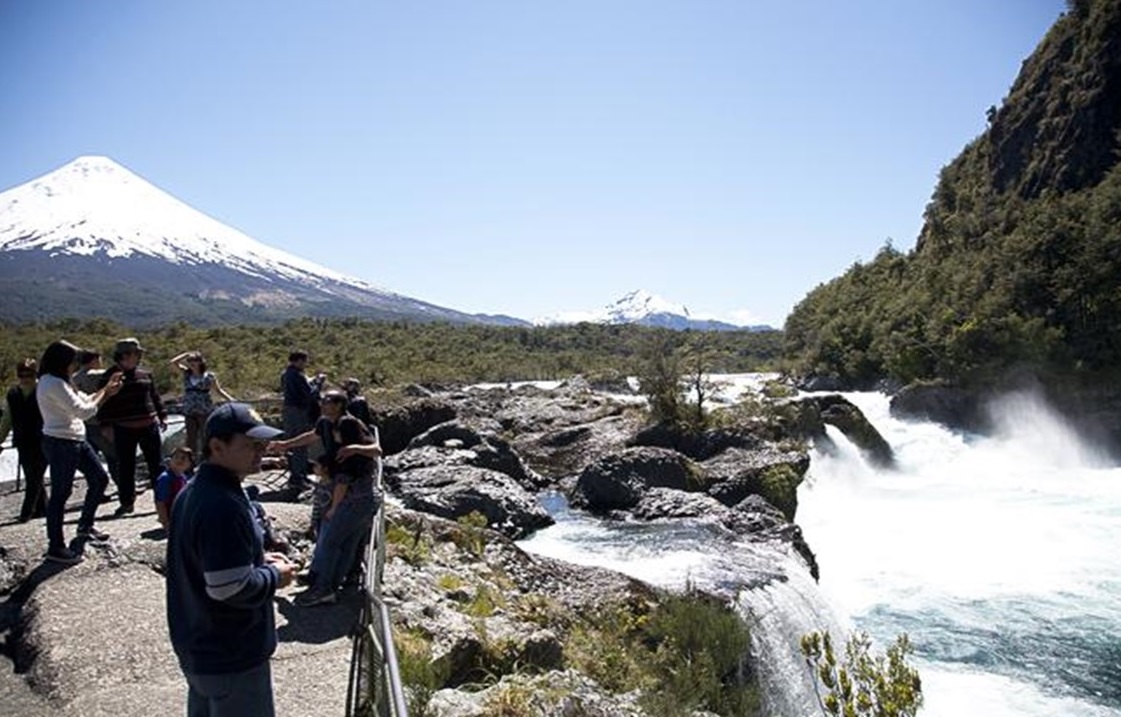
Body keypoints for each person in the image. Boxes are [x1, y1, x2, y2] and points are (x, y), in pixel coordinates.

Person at [166, 402, 297, 716]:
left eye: (262, 445)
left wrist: (257, 558)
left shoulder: (196, 490)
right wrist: (276, 575)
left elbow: (208, 560)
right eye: (251, 445)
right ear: (217, 446)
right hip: (230, 654)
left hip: (201, 646)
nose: (260, 452)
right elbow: (229, 588)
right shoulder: (222, 504)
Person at [269, 390, 380, 606]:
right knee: (343, 543)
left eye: (327, 401)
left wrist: (334, 506)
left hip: (355, 494)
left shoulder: (349, 427)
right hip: (354, 493)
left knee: (331, 541)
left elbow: (353, 470)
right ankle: (326, 583)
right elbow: (312, 435)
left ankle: (325, 588)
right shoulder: (326, 423)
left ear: (338, 405)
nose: (322, 403)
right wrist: (286, 444)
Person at [36, 340, 123, 564]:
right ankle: (56, 546)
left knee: (99, 479)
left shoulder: (60, 381)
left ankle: (85, 526)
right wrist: (105, 394)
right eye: (73, 361)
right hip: (61, 442)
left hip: (74, 439)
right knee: (60, 494)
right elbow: (83, 411)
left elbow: (84, 400)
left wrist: (105, 390)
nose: (75, 365)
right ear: (62, 362)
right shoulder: (52, 383)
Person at [97, 338, 167, 517]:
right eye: (136, 353)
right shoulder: (110, 376)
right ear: (125, 355)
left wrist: (162, 415)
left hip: (148, 425)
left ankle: (164, 500)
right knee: (126, 467)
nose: (138, 357)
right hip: (123, 427)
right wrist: (105, 425)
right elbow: (102, 402)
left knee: (157, 465)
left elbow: (154, 396)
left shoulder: (145, 374)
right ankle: (127, 502)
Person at [0, 359, 47, 522]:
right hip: (23, 440)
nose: (25, 378)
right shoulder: (13, 393)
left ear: (36, 374)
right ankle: (43, 508)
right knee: (32, 476)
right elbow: (7, 419)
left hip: (44, 438)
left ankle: (26, 512)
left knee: (35, 476)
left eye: (29, 374)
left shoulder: (44, 389)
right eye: (22, 374)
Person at [170, 351, 236, 456]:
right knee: (191, 438)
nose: (191, 363)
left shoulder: (209, 376)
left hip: (204, 409)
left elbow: (218, 390)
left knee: (205, 436)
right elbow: (173, 362)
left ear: (200, 362)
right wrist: (186, 354)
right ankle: (190, 462)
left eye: (194, 360)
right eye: (189, 361)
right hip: (189, 409)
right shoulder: (187, 374)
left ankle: (208, 460)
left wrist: (230, 399)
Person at [72, 349, 120, 494]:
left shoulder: (74, 378)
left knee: (92, 461)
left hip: (84, 424)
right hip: (101, 422)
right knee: (113, 458)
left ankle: (97, 490)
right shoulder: (99, 375)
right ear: (94, 360)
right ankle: (122, 485)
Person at [279, 350, 322, 497]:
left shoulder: (285, 374)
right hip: (299, 412)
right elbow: (310, 394)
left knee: (292, 443)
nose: (305, 364)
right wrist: (319, 383)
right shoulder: (297, 375)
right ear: (298, 361)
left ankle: (296, 476)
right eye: (304, 361)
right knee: (299, 444)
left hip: (289, 412)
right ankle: (298, 478)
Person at [154, 446, 194, 529]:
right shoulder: (165, 479)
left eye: (183, 458)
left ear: (189, 464)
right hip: (170, 518)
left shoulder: (184, 478)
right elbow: (160, 502)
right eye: (176, 457)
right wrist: (165, 522)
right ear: (170, 461)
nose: (179, 460)